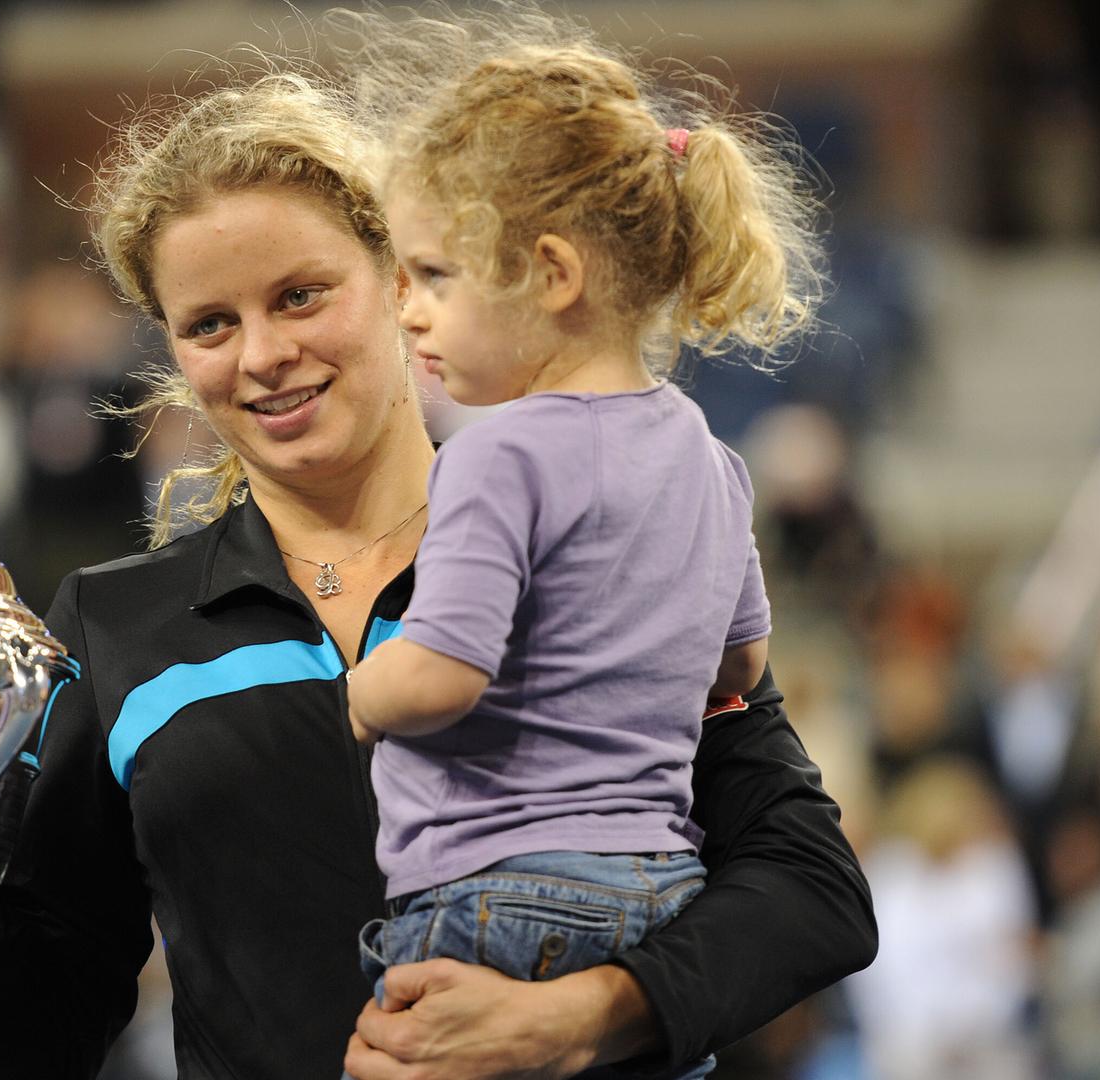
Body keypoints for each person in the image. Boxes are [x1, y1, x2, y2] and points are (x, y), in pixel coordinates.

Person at [0, 67, 872, 1080]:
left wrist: (580, 1019)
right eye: (208, 324)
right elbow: (44, 1033)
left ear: (401, 280)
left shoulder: (586, 535)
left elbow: (812, 895)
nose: (263, 355)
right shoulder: (119, 625)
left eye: (299, 295)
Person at [334, 17, 820, 1076]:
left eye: (432, 275)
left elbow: (448, 672)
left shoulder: (497, 453)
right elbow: (738, 671)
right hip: (659, 900)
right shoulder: (710, 456)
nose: (407, 312)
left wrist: (359, 692)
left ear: (551, 274)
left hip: (490, 899)